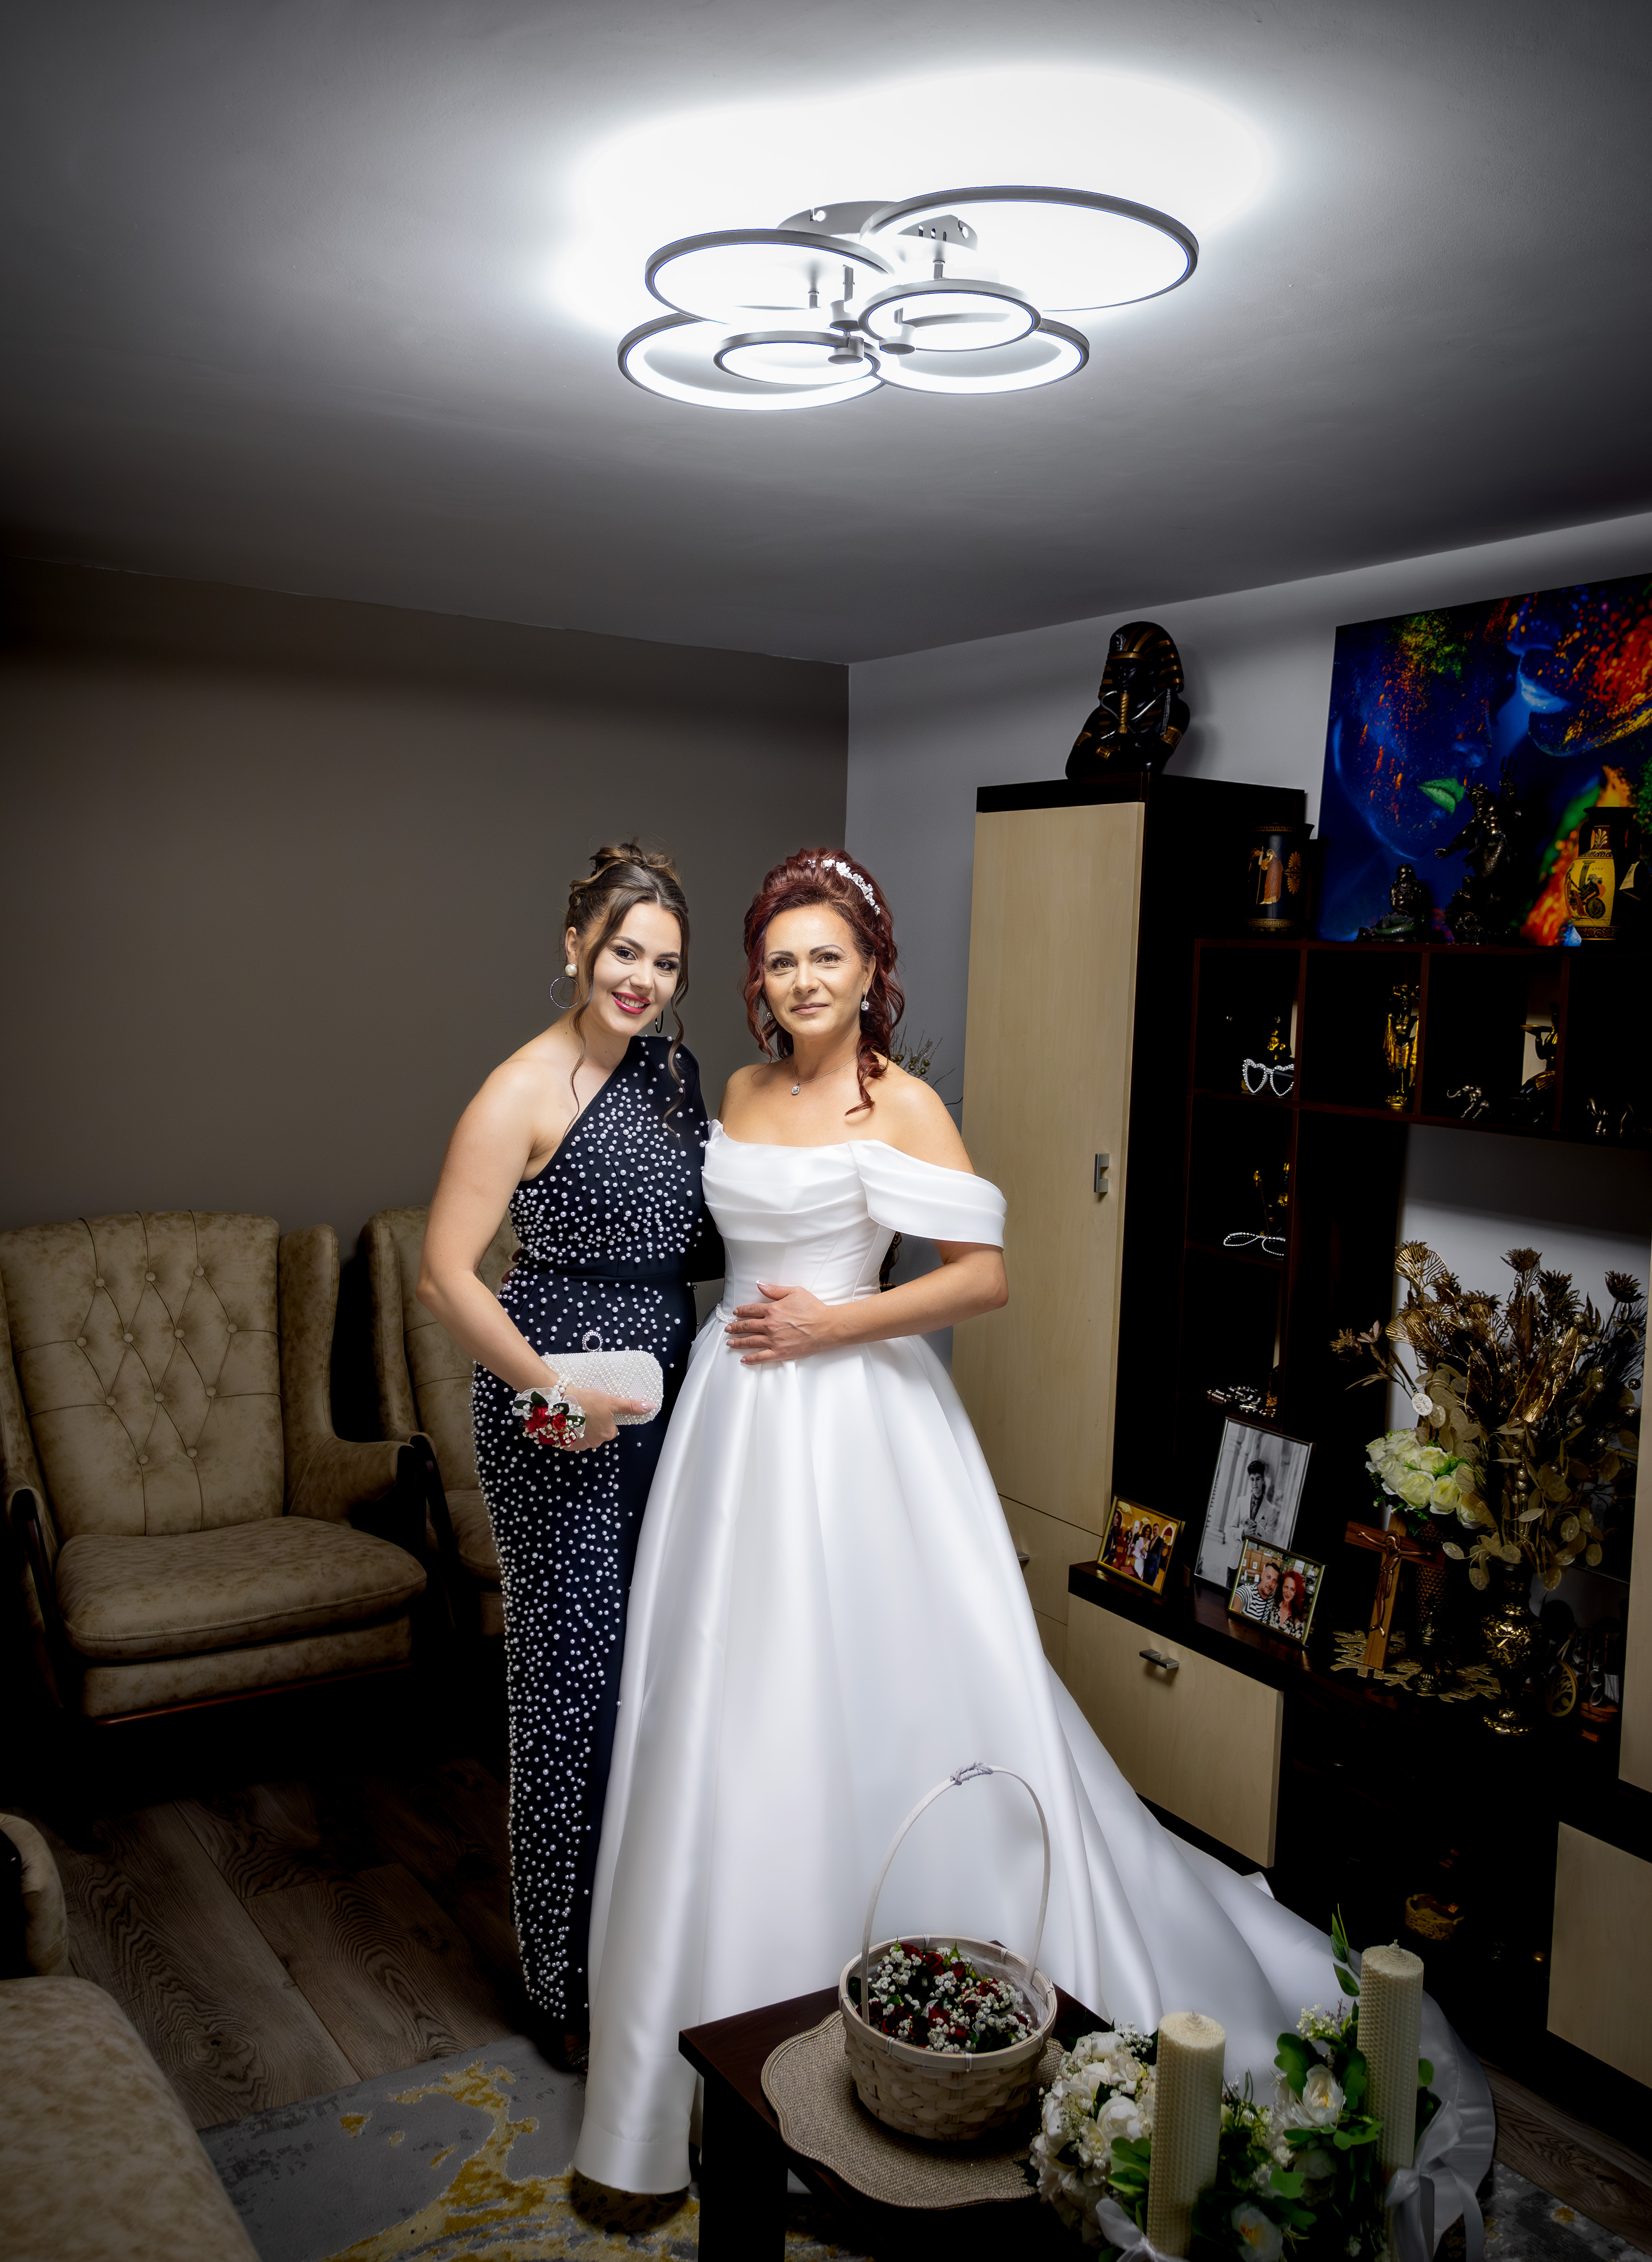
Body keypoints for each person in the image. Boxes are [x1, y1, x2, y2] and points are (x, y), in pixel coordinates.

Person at [572, 849, 1488, 2201]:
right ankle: (722, 2040)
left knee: (883, 1685)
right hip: (732, 1417)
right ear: (758, 980)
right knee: (727, 1694)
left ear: (870, 972)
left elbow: (982, 1278)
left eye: (828, 956)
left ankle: (925, 2021)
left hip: (852, 1418)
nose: (803, 979)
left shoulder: (902, 1103)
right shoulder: (745, 1092)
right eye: (781, 959)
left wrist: (832, 1320)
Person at [417, 842, 718, 2059]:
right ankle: (563, 1990)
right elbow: (444, 1277)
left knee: (654, 1675)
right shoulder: (519, 1089)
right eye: (623, 951)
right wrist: (552, 1394)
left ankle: (641, 1951)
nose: (641, 979)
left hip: (667, 1385)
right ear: (575, 947)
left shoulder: (674, 1073)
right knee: (568, 1686)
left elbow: (695, 1234)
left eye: (665, 963)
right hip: (552, 1401)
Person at [1237, 1551, 1281, 1625]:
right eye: (1268, 1577)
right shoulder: (1248, 1592)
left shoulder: (1272, 1599)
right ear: (1262, 1575)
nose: (1271, 1584)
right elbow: (1239, 1598)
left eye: (1274, 1581)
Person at [1275, 1562, 1310, 1638]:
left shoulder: (1298, 1619)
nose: (1288, 1592)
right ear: (1282, 1587)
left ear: (1297, 1592)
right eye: (1286, 1587)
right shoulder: (1272, 1606)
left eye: (1292, 1589)